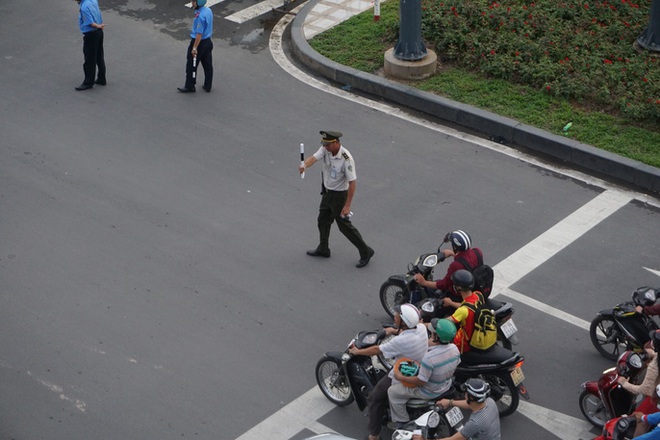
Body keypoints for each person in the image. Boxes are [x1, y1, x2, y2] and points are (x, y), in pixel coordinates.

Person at [348, 304, 428, 440]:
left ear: (404, 321)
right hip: (418, 365)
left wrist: (357, 351)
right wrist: (393, 330)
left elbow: (377, 350)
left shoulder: (400, 341)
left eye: (397, 316)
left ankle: (374, 435)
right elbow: (404, 331)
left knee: (374, 398)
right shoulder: (421, 328)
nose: (395, 317)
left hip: (404, 372)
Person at [299, 131, 374, 268]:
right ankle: (323, 248)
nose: (325, 147)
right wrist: (304, 166)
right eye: (324, 144)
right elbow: (314, 158)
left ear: (336, 143)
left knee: (344, 226)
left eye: (328, 144)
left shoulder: (346, 159)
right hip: (327, 192)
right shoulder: (325, 149)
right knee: (322, 220)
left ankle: (366, 251)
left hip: (339, 196)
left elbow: (352, 183)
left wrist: (347, 205)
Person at [387, 318, 461, 429]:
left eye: (433, 333)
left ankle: (401, 421)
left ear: (436, 337)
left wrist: (400, 376)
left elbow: (421, 381)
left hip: (428, 391)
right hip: (445, 385)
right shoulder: (455, 349)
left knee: (392, 392)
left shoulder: (429, 358)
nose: (431, 334)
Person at [413, 230, 484, 311]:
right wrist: (452, 254)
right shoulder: (477, 252)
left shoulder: (456, 265)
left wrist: (424, 282)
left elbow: (443, 285)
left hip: (457, 295)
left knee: (430, 298)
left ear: (455, 247)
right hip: (473, 287)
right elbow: (468, 261)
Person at [432, 378, 501, 440]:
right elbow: (469, 404)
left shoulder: (475, 423)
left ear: (470, 397)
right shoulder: (490, 402)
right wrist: (450, 402)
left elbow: (453, 439)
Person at [177, 0, 214, 93]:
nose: (192, 3)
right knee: (207, 65)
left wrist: (194, 48)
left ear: (199, 3)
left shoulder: (200, 17)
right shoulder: (208, 10)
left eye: (193, 1)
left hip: (199, 43)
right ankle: (208, 85)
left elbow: (199, 34)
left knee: (191, 64)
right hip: (208, 42)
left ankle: (190, 86)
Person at [445, 270, 480, 353]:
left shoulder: (462, 311)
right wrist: (451, 303)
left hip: (463, 344)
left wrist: (423, 324)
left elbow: (443, 322)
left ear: (458, 288)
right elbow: (468, 306)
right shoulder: (478, 295)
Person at [75, 0, 106, 91]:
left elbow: (91, 23)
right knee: (99, 56)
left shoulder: (84, 8)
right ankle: (101, 78)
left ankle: (88, 82)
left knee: (89, 59)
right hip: (99, 33)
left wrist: (98, 26)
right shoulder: (92, 0)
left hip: (91, 34)